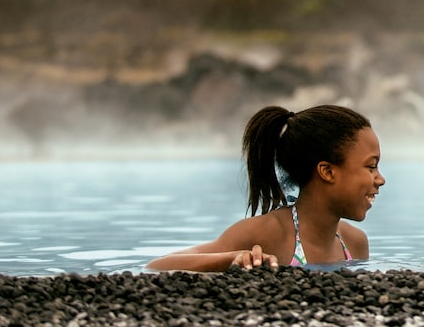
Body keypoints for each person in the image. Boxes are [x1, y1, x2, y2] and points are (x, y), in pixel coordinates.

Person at [148, 104, 383, 271]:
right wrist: (232, 258)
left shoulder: (355, 243)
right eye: (371, 167)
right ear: (327, 171)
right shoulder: (268, 233)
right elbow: (159, 265)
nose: (380, 179)